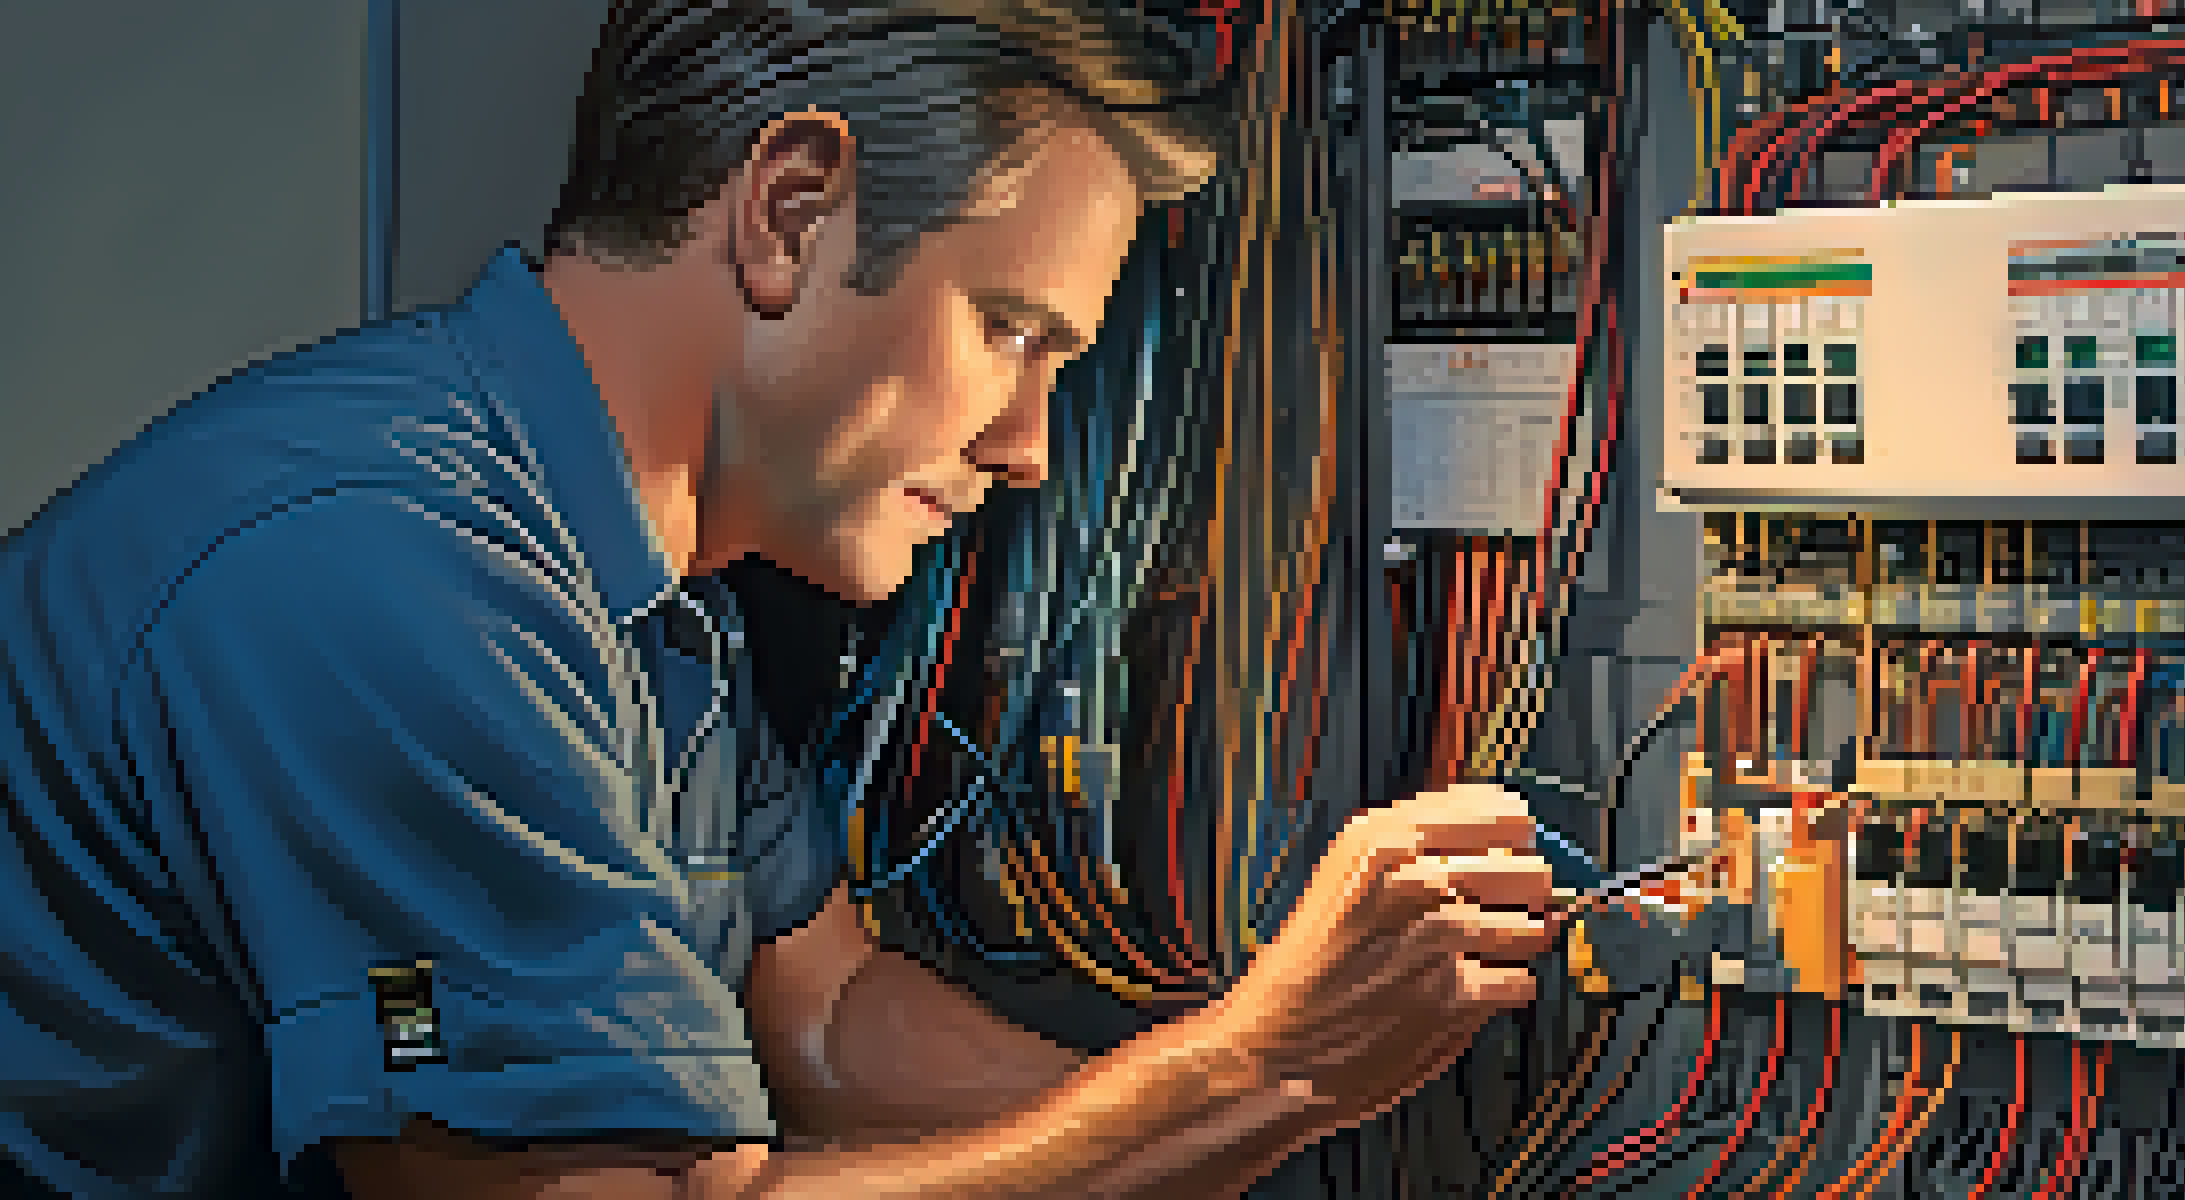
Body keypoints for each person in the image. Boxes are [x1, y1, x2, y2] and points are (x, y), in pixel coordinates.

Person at [0, 2, 1564, 1197]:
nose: (1028, 448)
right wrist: (1257, 1070)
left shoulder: (647, 587)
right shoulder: (393, 571)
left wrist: (1262, 1092)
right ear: (793, 211)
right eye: (1011, 331)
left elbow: (825, 1014)